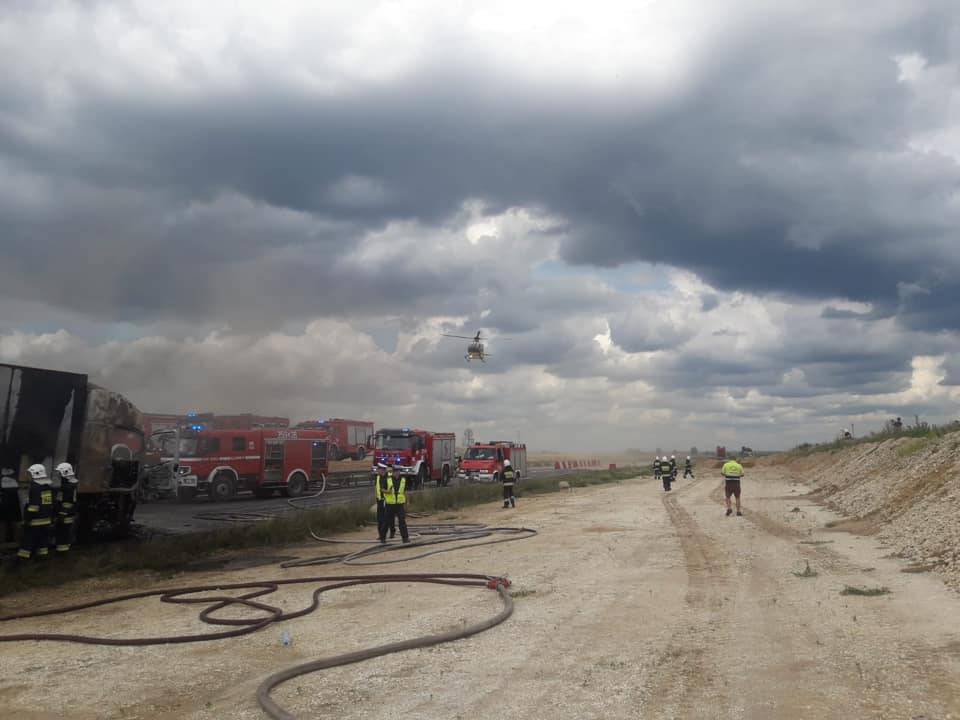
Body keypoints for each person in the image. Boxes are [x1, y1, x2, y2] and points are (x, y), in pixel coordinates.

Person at [17, 464, 54, 561]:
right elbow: (47, 503)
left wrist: (27, 520)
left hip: (35, 520)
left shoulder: (35, 487)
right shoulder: (46, 486)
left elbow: (34, 506)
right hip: (46, 519)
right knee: (42, 540)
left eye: (30, 473)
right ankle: (42, 558)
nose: (28, 476)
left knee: (28, 539)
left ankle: (22, 560)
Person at [379, 465, 409, 544]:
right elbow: (382, 489)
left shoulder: (403, 480)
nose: (396, 473)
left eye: (398, 471)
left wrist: (406, 503)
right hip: (390, 504)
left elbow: (404, 492)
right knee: (386, 522)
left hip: (399, 504)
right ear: (392, 472)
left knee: (402, 521)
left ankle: (405, 538)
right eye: (395, 471)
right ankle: (382, 538)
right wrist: (387, 492)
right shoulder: (388, 479)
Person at [53, 462, 79, 553]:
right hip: (67, 513)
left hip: (65, 514)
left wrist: (62, 514)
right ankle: (63, 549)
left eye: (60, 472)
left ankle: (62, 551)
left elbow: (67, 502)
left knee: (63, 532)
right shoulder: (70, 484)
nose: (59, 475)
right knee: (65, 531)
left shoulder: (68, 486)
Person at [374, 463, 397, 541]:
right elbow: (377, 488)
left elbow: (392, 489)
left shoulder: (389, 477)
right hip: (380, 500)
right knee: (380, 518)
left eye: (379, 469)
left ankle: (392, 531)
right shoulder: (378, 477)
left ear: (383, 470)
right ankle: (381, 535)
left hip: (388, 501)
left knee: (389, 518)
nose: (377, 470)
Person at [1, 467, 21, 544]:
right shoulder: (15, 483)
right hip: (14, 507)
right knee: (15, 525)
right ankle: (16, 542)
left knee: (3, 526)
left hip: (3, 507)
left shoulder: (2, 482)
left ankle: (2, 543)